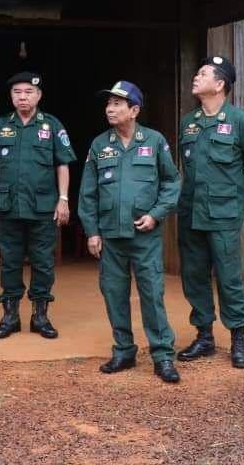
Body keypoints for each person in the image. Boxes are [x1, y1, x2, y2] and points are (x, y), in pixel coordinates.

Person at [77, 81, 182, 383]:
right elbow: (88, 193)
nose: (110, 109)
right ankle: (124, 350)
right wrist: (92, 232)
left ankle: (162, 356)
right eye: (108, 104)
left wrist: (156, 215)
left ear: (134, 110)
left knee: (152, 294)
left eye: (117, 104)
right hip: (110, 236)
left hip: (144, 236)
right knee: (114, 294)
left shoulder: (154, 141)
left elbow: (172, 182)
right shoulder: (99, 145)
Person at [176, 56, 244, 369]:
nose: (196, 76)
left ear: (219, 84)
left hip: (223, 213)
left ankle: (238, 338)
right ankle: (204, 336)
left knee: (229, 277)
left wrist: (237, 192)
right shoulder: (188, 122)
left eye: (203, 74)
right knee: (194, 276)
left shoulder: (240, 121)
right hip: (191, 212)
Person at [0, 72, 76, 340]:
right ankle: (10, 316)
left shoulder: (52, 125)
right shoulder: (1, 125)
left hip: (43, 207)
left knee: (43, 262)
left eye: (28, 92)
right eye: (17, 92)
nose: (22, 97)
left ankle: (40, 316)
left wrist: (64, 199)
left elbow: (62, 164)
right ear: (11, 96)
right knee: (9, 261)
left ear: (39, 95)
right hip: (8, 206)